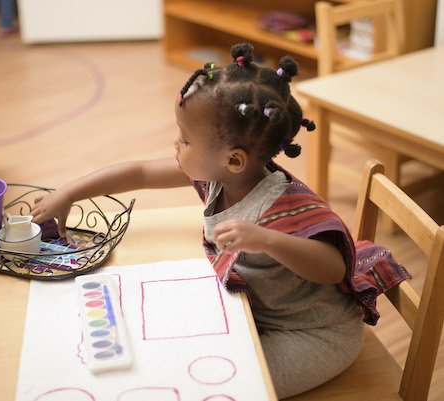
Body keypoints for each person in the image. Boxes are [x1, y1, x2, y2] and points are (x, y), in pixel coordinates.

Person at [32, 43, 410, 398]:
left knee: (220, 386)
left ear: (233, 159)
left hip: (314, 334)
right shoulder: (223, 175)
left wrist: (266, 240)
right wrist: (66, 194)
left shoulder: (284, 207)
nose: (175, 146)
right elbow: (141, 172)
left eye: (185, 140)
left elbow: (333, 267)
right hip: (257, 311)